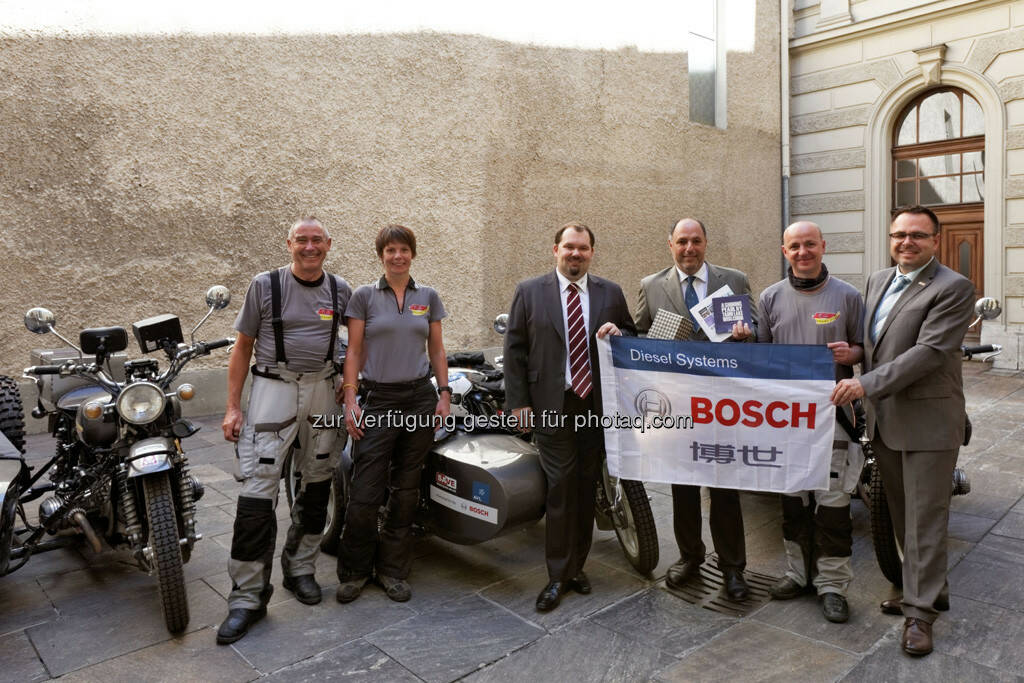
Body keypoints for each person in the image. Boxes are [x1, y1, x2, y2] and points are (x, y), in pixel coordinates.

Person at [832, 205, 975, 656]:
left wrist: (864, 383)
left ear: (936, 239)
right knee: (901, 513)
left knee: (926, 519)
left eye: (917, 235)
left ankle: (919, 614)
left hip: (928, 421)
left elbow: (929, 353)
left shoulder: (954, 288)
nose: (906, 242)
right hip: (885, 418)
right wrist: (855, 354)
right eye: (899, 235)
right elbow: (880, 343)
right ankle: (931, 590)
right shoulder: (878, 280)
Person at [217, 217, 351, 645]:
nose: (310, 248)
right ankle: (247, 596)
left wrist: (351, 393)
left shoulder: (341, 290)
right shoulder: (264, 285)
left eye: (317, 241)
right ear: (289, 243)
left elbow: (360, 341)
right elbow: (242, 348)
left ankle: (300, 568)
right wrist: (233, 406)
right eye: (302, 240)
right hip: (273, 388)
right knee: (258, 489)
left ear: (328, 245)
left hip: (323, 391)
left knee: (317, 484)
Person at [504, 221, 635, 612]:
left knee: (584, 486)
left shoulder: (609, 292)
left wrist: (620, 333)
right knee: (560, 487)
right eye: (569, 247)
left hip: (594, 407)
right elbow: (515, 349)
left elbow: (629, 331)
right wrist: (518, 403)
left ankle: (578, 566)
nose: (575, 254)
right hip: (551, 406)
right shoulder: (530, 291)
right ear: (555, 249)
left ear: (592, 252)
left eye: (583, 248)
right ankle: (557, 575)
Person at [634, 217, 755, 601]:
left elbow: (756, 335)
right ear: (669, 244)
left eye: (696, 241)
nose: (689, 248)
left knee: (725, 490)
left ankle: (733, 567)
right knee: (682, 486)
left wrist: (747, 335)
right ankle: (690, 557)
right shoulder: (651, 286)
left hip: (723, 406)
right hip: (676, 406)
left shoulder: (733, 280)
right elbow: (638, 334)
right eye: (682, 241)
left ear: (706, 243)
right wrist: (640, 340)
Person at [336, 224, 450, 604]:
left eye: (404, 249)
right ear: (381, 255)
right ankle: (354, 571)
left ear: (412, 254)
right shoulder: (364, 296)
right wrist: (351, 398)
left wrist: (444, 393)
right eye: (390, 250)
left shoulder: (428, 296)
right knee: (366, 490)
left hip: (419, 397)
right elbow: (353, 351)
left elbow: (436, 350)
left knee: (406, 489)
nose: (397, 256)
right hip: (379, 398)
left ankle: (392, 570)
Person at [757, 221, 864, 623]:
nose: (803, 252)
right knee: (793, 502)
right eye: (794, 246)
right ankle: (798, 575)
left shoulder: (849, 296)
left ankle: (833, 585)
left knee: (833, 505)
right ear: (785, 251)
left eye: (810, 245)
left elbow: (864, 351)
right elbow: (761, 358)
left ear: (823, 246)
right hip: (785, 419)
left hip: (834, 416)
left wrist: (849, 355)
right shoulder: (769, 297)